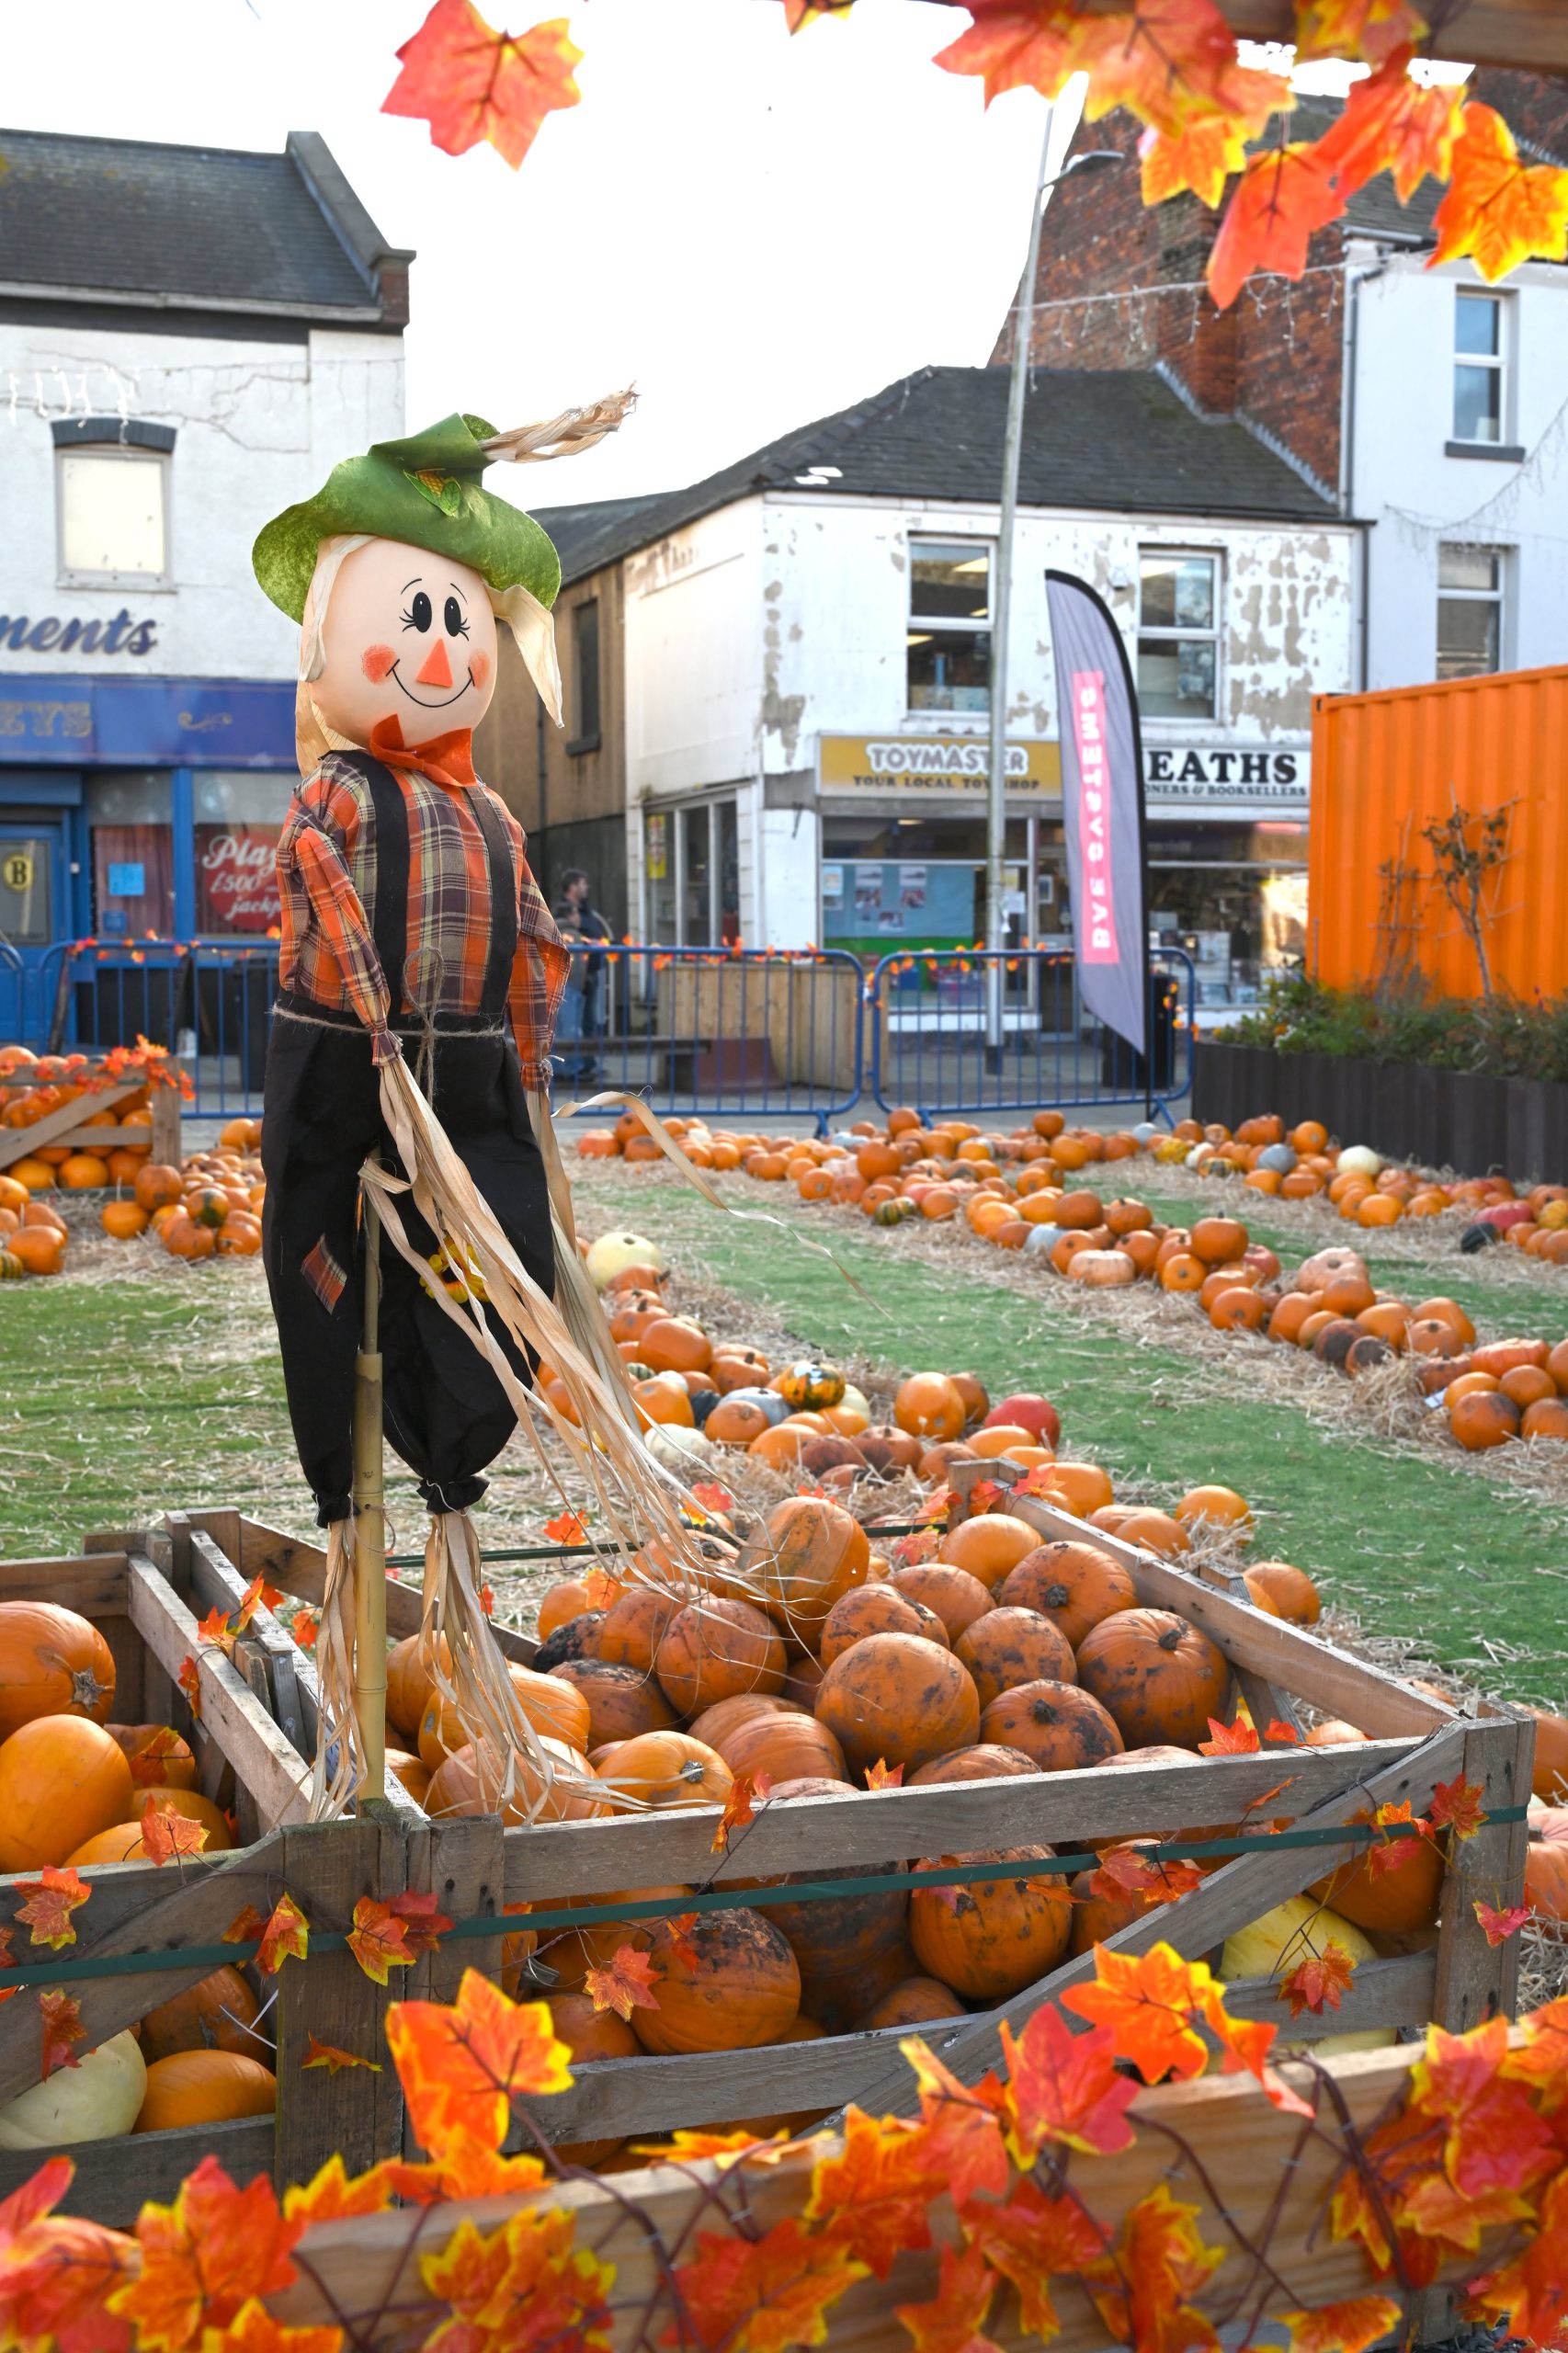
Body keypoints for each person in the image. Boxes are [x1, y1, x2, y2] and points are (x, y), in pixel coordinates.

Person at [552, 869, 612, 1080]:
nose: (586, 887)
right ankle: (571, 1068)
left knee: (587, 1023)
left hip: (587, 976)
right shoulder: (565, 918)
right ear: (573, 886)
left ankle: (585, 1063)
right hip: (574, 981)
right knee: (571, 1026)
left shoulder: (584, 910)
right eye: (582, 883)